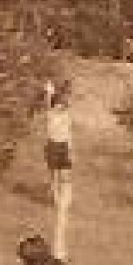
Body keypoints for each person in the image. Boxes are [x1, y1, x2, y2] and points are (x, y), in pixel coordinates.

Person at [44, 80, 74, 208]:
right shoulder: (50, 114)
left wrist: (71, 150)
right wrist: (50, 91)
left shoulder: (66, 115)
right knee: (54, 176)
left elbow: (69, 133)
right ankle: (56, 199)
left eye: (62, 105)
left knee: (66, 175)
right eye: (58, 104)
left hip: (64, 146)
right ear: (54, 105)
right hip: (53, 146)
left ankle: (65, 198)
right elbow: (48, 102)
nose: (60, 106)